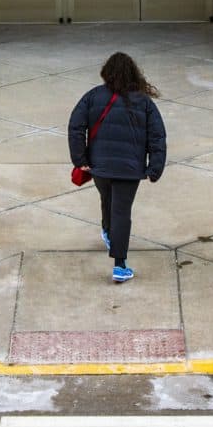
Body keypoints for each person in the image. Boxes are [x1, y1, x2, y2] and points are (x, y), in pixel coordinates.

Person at [68, 52, 166, 283]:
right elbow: (157, 136)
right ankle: (120, 265)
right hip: (130, 169)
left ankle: (108, 231)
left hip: (99, 167)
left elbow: (75, 126)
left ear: (107, 73)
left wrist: (79, 159)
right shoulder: (143, 102)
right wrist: (155, 168)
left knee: (108, 200)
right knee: (121, 211)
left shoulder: (92, 96)